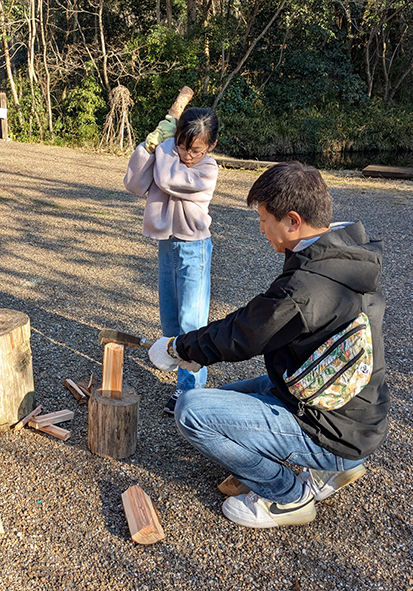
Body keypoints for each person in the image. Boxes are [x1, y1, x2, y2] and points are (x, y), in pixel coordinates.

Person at [148, 161, 390, 529]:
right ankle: (332, 469)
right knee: (226, 400)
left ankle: (288, 495)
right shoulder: (345, 252)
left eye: (264, 220)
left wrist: (178, 349)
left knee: (193, 411)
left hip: (334, 429)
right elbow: (258, 320)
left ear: (293, 221)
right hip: (354, 413)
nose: (261, 229)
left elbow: (247, 331)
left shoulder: (307, 286)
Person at [124, 107, 219, 414]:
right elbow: (134, 184)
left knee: (192, 321)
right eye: (182, 145)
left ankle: (190, 389)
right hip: (168, 245)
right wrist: (147, 147)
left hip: (194, 248)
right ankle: (183, 379)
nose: (187, 155)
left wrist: (165, 147)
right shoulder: (168, 154)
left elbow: (167, 179)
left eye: (196, 150)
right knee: (170, 321)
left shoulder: (207, 169)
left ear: (211, 146)